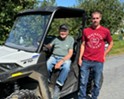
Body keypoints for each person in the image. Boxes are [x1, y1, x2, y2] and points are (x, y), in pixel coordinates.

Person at [78, 10, 113, 99]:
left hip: (98, 61)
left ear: (100, 19)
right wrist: (80, 58)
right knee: (83, 82)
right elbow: (83, 44)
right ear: (91, 19)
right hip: (86, 60)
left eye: (97, 18)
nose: (95, 20)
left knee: (97, 83)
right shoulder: (86, 31)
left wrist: (104, 54)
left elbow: (111, 43)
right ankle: (82, 97)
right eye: (93, 18)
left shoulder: (105, 31)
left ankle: (94, 97)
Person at [46, 24, 74, 99]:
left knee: (66, 67)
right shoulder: (56, 39)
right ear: (59, 31)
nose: (63, 32)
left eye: (64, 31)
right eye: (61, 31)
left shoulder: (70, 39)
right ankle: (47, 81)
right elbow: (50, 45)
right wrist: (45, 46)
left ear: (67, 32)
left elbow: (70, 53)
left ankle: (58, 85)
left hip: (65, 58)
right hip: (54, 56)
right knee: (47, 64)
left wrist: (61, 61)